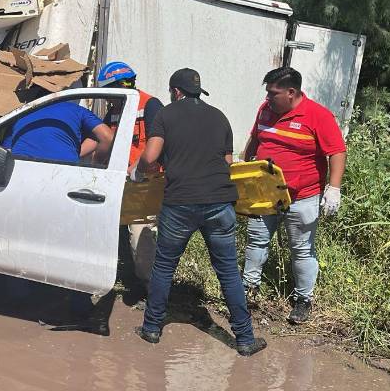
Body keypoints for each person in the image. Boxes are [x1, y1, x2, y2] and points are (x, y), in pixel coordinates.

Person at [133, 68, 267, 356]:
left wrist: (139, 171)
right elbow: (229, 163)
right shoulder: (220, 117)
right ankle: (244, 339)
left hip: (180, 203)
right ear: (196, 91)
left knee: (165, 266)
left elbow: (151, 157)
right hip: (219, 202)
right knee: (229, 272)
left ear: (175, 92)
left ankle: (152, 328)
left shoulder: (165, 115)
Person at [242, 66, 346, 324]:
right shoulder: (265, 110)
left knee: (301, 250)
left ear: (291, 92)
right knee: (256, 241)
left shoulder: (318, 116)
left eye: (273, 94)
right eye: (267, 93)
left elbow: (337, 152)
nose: (268, 99)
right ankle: (248, 290)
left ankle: (303, 300)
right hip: (265, 192)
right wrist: (244, 171)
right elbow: (255, 141)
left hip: (302, 196)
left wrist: (333, 188)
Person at [97, 61, 164, 290]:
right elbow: (102, 140)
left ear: (120, 86)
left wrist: (136, 168)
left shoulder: (150, 105)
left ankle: (150, 288)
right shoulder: (115, 111)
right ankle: (125, 276)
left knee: (141, 236)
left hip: (145, 182)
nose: (107, 100)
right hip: (121, 181)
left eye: (108, 93)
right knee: (114, 229)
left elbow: (158, 145)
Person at [1, 88, 114, 164]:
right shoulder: (76, 110)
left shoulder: (20, 114)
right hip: (63, 171)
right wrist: (96, 163)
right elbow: (107, 137)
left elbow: (5, 152)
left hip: (23, 170)